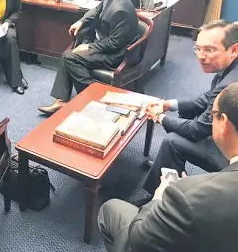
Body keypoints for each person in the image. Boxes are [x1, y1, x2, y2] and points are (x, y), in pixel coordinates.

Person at [97, 82, 238, 252]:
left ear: (223, 122)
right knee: (172, 142)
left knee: (110, 209)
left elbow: (139, 239)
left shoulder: (189, 194)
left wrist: (159, 198)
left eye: (212, 116)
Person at [135, 20, 238, 205]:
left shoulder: (228, 83)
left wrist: (159, 117)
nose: (201, 56)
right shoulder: (232, 69)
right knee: (182, 124)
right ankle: (166, 169)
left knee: (172, 141)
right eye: (197, 48)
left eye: (209, 50)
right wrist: (169, 104)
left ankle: (157, 202)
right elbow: (208, 97)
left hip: (232, 156)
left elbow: (196, 130)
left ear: (233, 49)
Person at [39, 0, 139, 115]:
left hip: (116, 54)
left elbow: (114, 44)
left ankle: (94, 98)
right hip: (106, 43)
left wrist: (88, 47)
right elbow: (98, 9)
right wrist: (82, 21)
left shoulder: (120, 10)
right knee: (69, 55)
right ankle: (63, 100)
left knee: (69, 57)